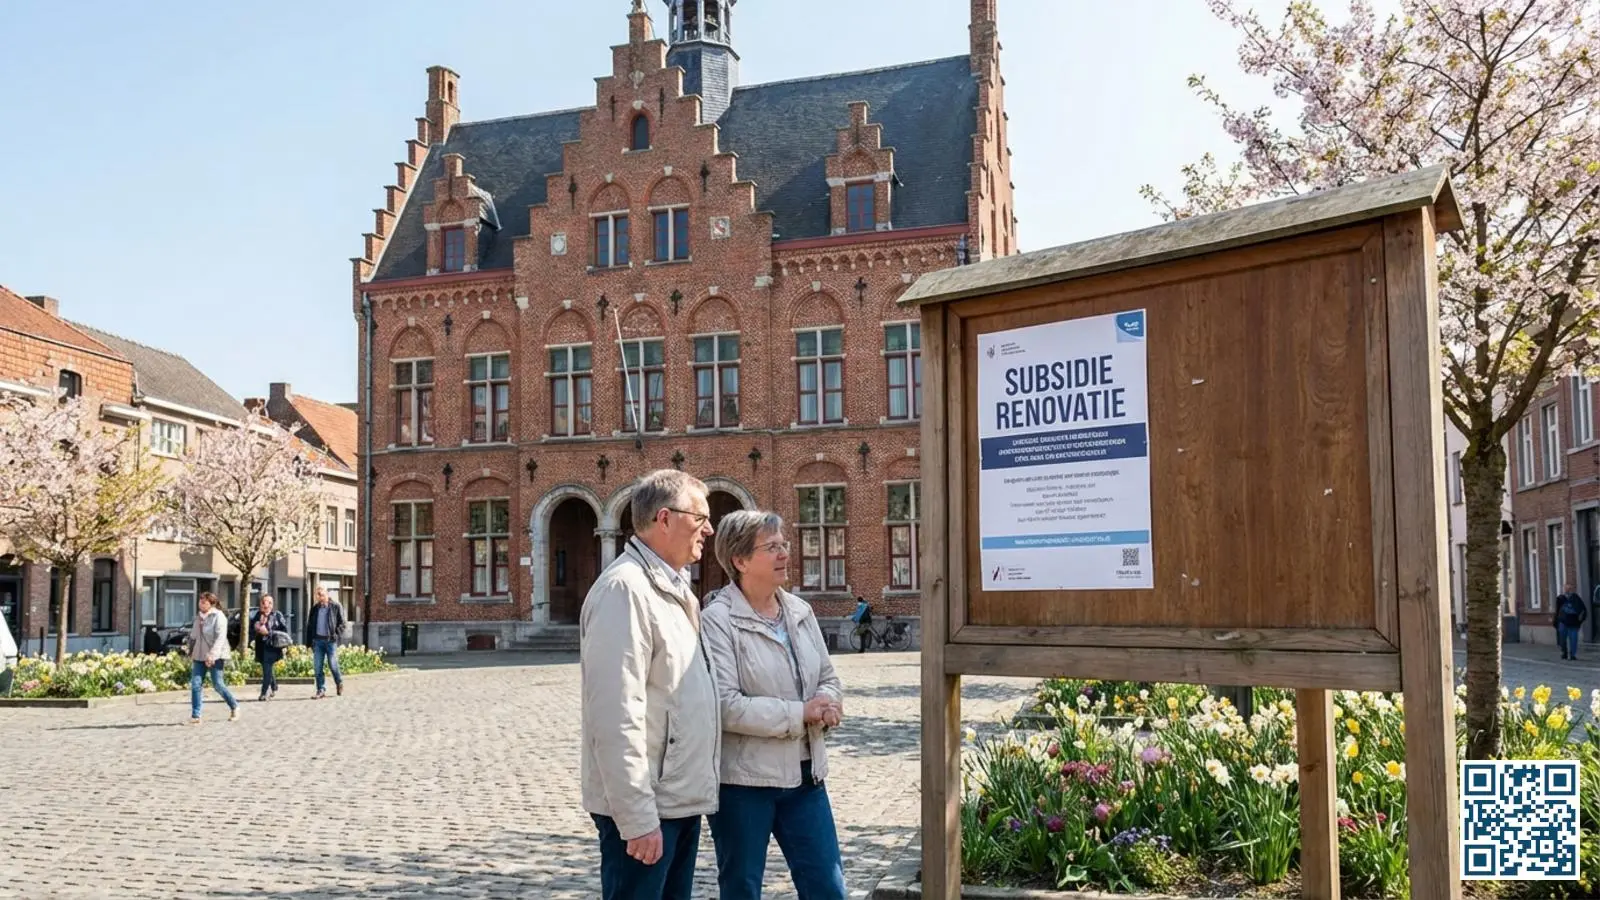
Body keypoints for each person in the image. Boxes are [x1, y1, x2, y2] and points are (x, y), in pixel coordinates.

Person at [580, 470, 720, 900]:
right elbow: (615, 715)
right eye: (700, 517)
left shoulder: (671, 588)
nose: (709, 529)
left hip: (675, 798)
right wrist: (637, 818)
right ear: (665, 518)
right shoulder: (625, 590)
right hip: (650, 807)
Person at [702, 510, 847, 900]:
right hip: (744, 785)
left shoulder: (800, 611)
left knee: (827, 888)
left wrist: (830, 702)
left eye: (783, 544)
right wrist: (801, 712)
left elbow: (828, 678)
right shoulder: (717, 621)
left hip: (806, 778)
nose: (784, 554)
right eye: (771, 548)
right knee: (742, 889)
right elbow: (726, 705)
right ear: (740, 560)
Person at [187, 591, 239, 724]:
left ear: (211, 604)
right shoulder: (198, 617)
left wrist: (212, 655)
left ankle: (234, 706)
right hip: (199, 654)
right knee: (196, 684)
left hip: (216, 655)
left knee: (218, 684)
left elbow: (220, 638)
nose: (201, 604)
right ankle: (195, 715)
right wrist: (190, 649)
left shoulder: (219, 616)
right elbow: (193, 636)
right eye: (200, 601)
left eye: (204, 602)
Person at [303, 588, 346, 699]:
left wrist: (336, 635)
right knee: (318, 667)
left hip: (330, 641)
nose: (320, 598)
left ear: (327, 595)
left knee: (333, 665)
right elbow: (310, 626)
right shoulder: (314, 609)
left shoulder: (335, 607)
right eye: (318, 596)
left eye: (322, 595)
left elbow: (342, 623)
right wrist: (308, 643)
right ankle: (320, 690)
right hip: (318, 642)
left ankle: (339, 682)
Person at [250, 595, 291, 701]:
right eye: (263, 603)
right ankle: (273, 686)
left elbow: (284, 631)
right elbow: (251, 628)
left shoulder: (277, 615)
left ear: (272, 605)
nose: (265, 605)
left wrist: (268, 632)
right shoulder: (257, 615)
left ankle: (264, 692)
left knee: (267, 669)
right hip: (261, 646)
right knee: (267, 667)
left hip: (272, 646)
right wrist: (256, 627)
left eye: (268, 603)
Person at [1556, 584, 1588, 661]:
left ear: (1572, 589)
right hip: (1563, 622)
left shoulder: (1576, 598)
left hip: (1573, 623)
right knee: (1562, 639)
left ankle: (1572, 655)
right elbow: (1557, 611)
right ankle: (1564, 652)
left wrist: (1580, 620)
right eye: (1566, 588)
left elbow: (1582, 609)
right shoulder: (1560, 598)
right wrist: (1557, 620)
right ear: (1563, 589)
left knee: (1573, 639)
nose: (1568, 590)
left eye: (1569, 588)